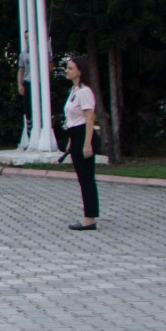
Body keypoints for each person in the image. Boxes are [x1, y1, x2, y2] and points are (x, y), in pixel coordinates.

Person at [62, 56, 100, 231]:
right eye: (67, 68)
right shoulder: (74, 91)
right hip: (75, 135)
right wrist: (71, 141)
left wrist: (87, 144)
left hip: (83, 135)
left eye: (70, 68)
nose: (67, 71)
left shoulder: (84, 92)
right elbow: (72, 118)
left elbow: (89, 117)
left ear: (80, 71)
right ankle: (88, 215)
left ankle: (89, 219)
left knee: (86, 179)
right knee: (82, 178)